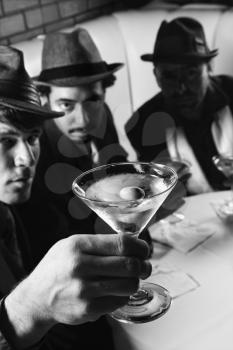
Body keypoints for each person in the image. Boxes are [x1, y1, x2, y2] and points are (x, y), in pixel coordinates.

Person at [0, 45, 152, 350]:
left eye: (32, 139)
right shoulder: (34, 187)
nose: (26, 159)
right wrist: (25, 311)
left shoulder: (9, 205)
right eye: (4, 140)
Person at [17, 27, 153, 264]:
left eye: (92, 101)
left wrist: (140, 234)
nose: (83, 120)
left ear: (103, 95)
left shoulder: (102, 117)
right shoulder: (33, 152)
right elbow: (53, 242)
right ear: (46, 99)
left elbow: (120, 176)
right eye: (66, 105)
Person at [125, 17, 233, 195]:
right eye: (169, 76)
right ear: (156, 76)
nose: (181, 88)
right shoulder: (143, 124)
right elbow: (157, 197)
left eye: (191, 73)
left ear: (210, 67)